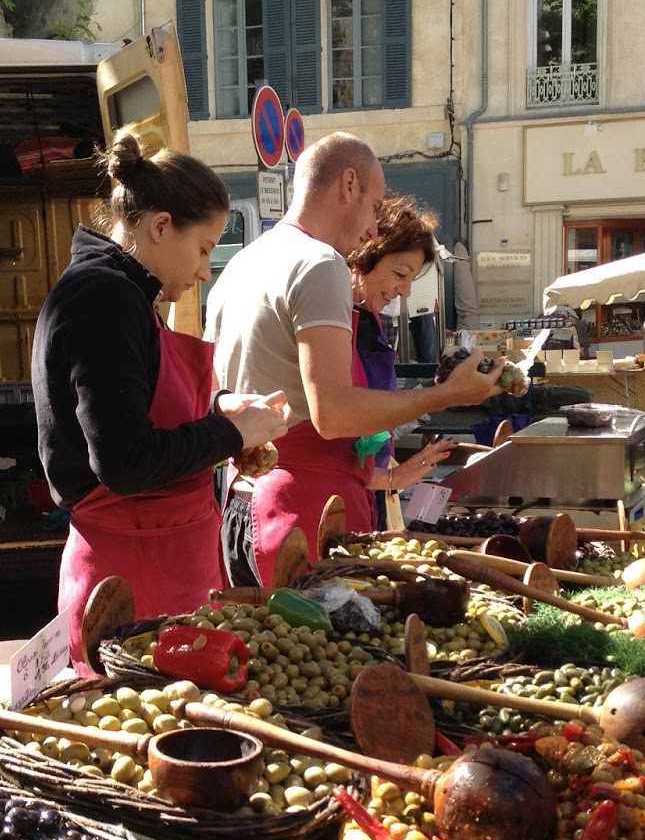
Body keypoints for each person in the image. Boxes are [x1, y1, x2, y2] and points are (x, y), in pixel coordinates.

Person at [33, 129, 290, 669]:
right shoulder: (103, 299)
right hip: (131, 580)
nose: (202, 271)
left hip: (157, 565)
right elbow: (125, 463)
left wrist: (220, 408)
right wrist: (231, 435)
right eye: (202, 249)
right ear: (159, 226)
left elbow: (139, 403)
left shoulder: (122, 296)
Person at [208, 132, 503, 587]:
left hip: (239, 503)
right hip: (303, 511)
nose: (371, 227)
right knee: (327, 655)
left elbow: (213, 393)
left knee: (262, 649)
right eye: (373, 203)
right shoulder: (319, 261)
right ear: (349, 184)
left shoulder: (240, 264)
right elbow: (334, 414)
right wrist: (445, 394)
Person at [347, 194, 457, 528]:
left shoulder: (370, 317)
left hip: (369, 492)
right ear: (363, 256)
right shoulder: (330, 322)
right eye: (399, 274)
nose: (405, 291)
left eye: (412, 280)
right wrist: (391, 477)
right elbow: (332, 428)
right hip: (339, 500)